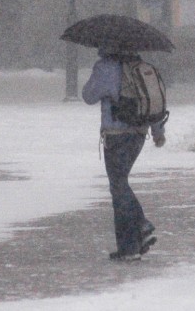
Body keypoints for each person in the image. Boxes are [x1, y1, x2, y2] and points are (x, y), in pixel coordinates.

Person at [82, 48, 166, 261]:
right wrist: (158, 133)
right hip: (138, 133)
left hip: (116, 134)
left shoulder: (106, 67)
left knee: (118, 185)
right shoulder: (142, 68)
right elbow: (154, 101)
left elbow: (88, 96)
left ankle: (139, 225)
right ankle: (130, 246)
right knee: (119, 186)